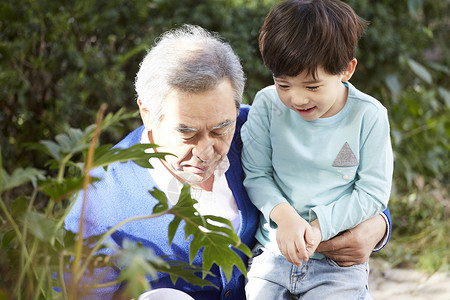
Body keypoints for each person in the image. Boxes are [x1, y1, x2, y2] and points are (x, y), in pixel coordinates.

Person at [65, 24, 391, 299]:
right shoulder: (99, 201)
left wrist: (378, 227)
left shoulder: (258, 129)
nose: (207, 150)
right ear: (147, 114)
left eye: (221, 127)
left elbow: (341, 180)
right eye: (187, 132)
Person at [241, 1, 394, 299]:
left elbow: (373, 192)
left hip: (337, 266)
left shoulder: (368, 116)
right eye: (283, 84)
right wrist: (284, 217)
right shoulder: (267, 105)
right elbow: (256, 173)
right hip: (273, 254)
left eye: (312, 87)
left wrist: (320, 227)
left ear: (346, 70)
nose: (297, 98)